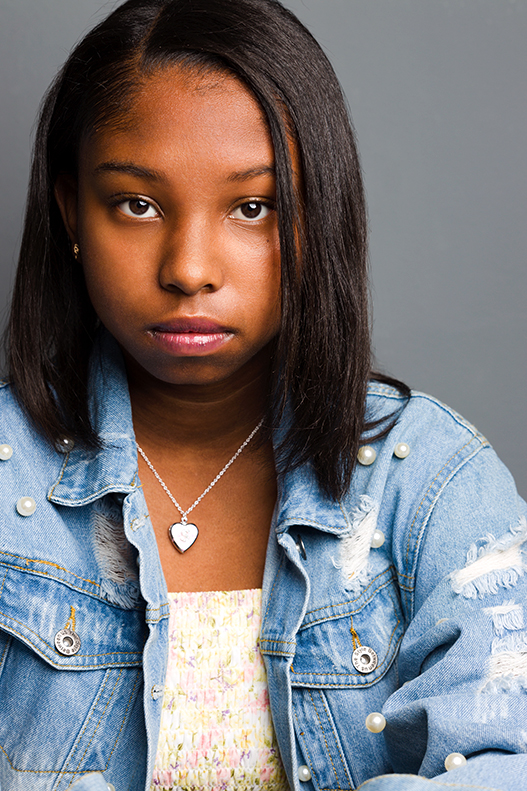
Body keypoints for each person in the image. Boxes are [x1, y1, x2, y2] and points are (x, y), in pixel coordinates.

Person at [0, 0, 525, 789]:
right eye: (137, 204)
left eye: (252, 207)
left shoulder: (430, 480)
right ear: (72, 210)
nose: (188, 267)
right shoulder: (10, 475)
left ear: (317, 216)